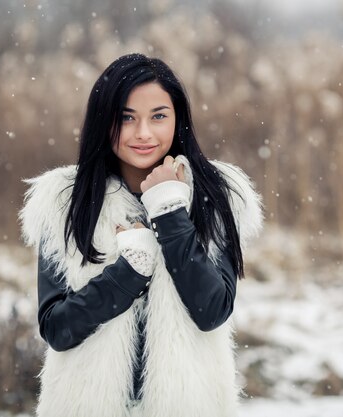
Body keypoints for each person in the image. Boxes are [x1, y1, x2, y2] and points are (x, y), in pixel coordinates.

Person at [19, 53, 263, 417]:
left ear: (178, 119)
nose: (143, 133)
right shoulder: (65, 202)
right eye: (126, 118)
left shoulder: (216, 195)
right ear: (105, 121)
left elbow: (211, 310)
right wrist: (130, 271)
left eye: (158, 116)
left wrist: (169, 211)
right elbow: (58, 328)